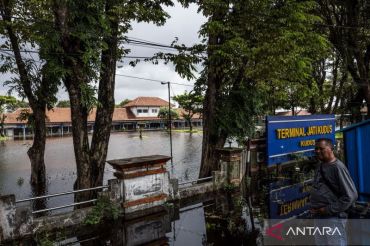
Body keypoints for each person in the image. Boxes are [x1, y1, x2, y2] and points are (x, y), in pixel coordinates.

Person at [309, 138, 358, 245]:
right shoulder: (321, 165)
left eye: (321, 149)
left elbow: (351, 196)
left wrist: (327, 209)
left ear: (331, 149)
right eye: (316, 149)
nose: (317, 151)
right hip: (319, 216)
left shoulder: (337, 167)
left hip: (333, 218)